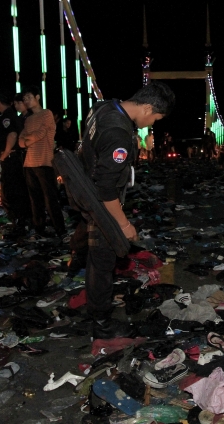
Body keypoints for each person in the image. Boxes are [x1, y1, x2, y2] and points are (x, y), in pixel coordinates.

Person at [74, 82, 175, 338]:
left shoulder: (103, 108)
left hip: (84, 190)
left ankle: (95, 313)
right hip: (100, 202)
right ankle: (102, 324)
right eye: (155, 118)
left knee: (95, 260)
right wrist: (124, 224)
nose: (152, 124)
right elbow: (106, 189)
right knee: (103, 261)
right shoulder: (118, 133)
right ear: (148, 107)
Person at [17, 85, 66, 237]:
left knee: (50, 199)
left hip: (44, 162)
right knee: (34, 199)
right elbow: (20, 141)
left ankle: (60, 229)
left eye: (29, 97)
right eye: (24, 99)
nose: (26, 101)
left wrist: (28, 140)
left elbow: (39, 134)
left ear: (37, 97)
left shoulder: (47, 114)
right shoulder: (28, 119)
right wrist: (27, 140)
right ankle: (39, 228)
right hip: (29, 163)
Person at [0, 89, 31, 230]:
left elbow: (12, 135)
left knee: (10, 189)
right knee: (18, 188)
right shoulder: (15, 116)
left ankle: (17, 218)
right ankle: (22, 217)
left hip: (11, 158)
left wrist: (4, 154)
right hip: (16, 158)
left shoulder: (6, 117)